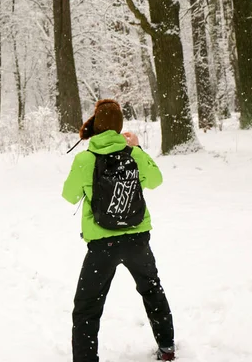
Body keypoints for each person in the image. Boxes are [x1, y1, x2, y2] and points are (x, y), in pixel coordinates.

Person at [62, 99, 175, 361]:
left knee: (87, 307)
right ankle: (167, 349)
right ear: (119, 127)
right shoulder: (133, 154)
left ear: (96, 127)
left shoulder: (85, 158)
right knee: (152, 290)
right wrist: (136, 148)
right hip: (137, 239)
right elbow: (156, 180)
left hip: (102, 245)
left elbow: (69, 195)